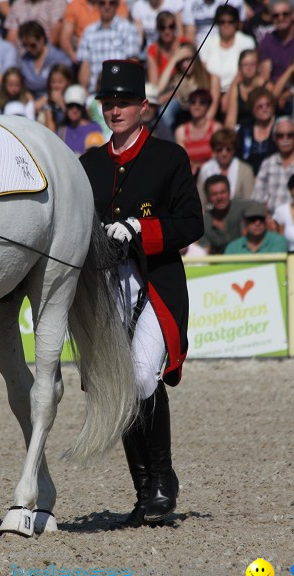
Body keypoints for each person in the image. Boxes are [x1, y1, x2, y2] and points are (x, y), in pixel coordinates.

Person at [79, 59, 203, 527]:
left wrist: (139, 228)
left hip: (155, 282)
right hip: (106, 285)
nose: (115, 110)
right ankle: (143, 490)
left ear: (144, 106)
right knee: (119, 386)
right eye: (108, 103)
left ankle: (163, 480)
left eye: (124, 102)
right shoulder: (89, 165)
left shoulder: (169, 159)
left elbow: (192, 222)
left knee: (141, 377)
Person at [76, 0, 142, 94]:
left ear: (117, 5)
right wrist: (84, 95)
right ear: (97, 5)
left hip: (120, 91)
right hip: (94, 94)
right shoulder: (88, 32)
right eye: (102, 3)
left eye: (111, 3)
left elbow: (133, 64)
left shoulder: (128, 29)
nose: (107, 6)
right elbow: (85, 67)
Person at [198, 4, 256, 94]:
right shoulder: (207, 42)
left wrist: (230, 94)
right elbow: (202, 69)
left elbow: (246, 71)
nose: (226, 25)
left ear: (236, 23)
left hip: (238, 91)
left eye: (230, 21)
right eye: (222, 22)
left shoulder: (247, 42)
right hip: (210, 91)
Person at [199, 174, 259, 253]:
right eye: (214, 194)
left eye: (223, 192)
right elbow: (205, 251)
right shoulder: (205, 221)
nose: (219, 197)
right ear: (208, 197)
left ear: (229, 192)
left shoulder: (246, 207)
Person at [17, 21, 71, 109]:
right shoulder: (24, 60)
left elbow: (67, 84)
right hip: (31, 105)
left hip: (55, 103)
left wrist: (45, 99)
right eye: (25, 46)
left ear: (42, 39)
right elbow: (23, 86)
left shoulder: (59, 58)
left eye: (33, 45)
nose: (29, 49)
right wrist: (30, 101)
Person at [196, 129, 255, 202]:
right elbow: (201, 200)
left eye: (228, 149)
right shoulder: (205, 169)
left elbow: (249, 200)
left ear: (234, 150)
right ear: (214, 150)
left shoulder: (245, 170)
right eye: (219, 149)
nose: (224, 154)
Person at [174, 89, 222, 176]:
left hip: (212, 173)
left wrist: (200, 167)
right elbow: (183, 158)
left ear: (208, 106)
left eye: (202, 103)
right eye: (193, 102)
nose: (197, 106)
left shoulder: (216, 128)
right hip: (190, 173)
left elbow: (218, 155)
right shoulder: (181, 131)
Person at [223, 49, 267, 129]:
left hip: (262, 128)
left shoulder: (265, 86)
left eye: (252, 64)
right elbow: (230, 119)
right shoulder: (236, 89)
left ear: (257, 66)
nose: (249, 68)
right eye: (245, 64)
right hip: (241, 129)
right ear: (239, 67)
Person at [224, 202, 289, 254]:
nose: (257, 223)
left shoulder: (278, 242)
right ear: (244, 221)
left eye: (261, 219)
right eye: (252, 219)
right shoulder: (233, 248)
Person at [56, 84, 103, 154]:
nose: (74, 110)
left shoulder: (94, 128)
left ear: (83, 108)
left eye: (78, 106)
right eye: (70, 106)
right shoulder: (61, 131)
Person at [3, 0, 67, 50]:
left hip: (46, 52)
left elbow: (56, 31)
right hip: (22, 56)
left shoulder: (57, 1)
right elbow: (12, 36)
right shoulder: (18, 3)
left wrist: (41, 54)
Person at [145, 11, 182, 87]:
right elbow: (154, 86)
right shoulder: (152, 51)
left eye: (171, 26)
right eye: (162, 28)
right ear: (157, 29)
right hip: (163, 92)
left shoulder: (183, 45)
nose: (167, 31)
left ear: (175, 27)